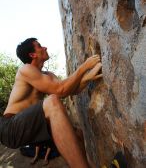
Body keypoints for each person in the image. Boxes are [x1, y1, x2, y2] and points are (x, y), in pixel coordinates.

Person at [0, 37, 102, 168]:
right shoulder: (25, 69)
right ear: (32, 54)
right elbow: (60, 90)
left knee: (78, 135)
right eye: (39, 46)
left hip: (32, 126)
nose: (45, 48)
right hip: (10, 127)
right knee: (52, 101)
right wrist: (84, 67)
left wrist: (88, 77)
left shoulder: (48, 75)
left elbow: (69, 89)